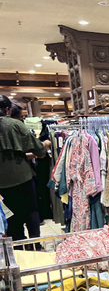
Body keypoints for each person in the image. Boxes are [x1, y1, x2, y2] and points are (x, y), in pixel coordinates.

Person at [0, 95, 51, 242]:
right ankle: (35, 244)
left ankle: (19, 245)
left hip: (2, 183)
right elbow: (39, 150)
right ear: (8, 109)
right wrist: (46, 144)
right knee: (31, 211)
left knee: (10, 214)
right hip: (22, 176)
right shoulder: (15, 125)